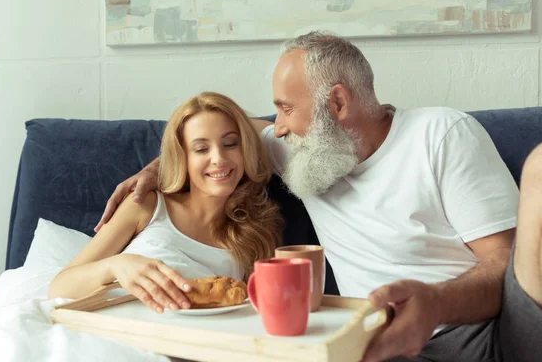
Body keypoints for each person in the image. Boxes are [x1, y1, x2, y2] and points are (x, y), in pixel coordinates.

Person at [94, 32, 542, 361]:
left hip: (492, 331)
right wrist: (159, 168)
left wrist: (435, 304)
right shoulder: (305, 153)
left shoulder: (440, 134)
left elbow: (504, 263)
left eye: (287, 109)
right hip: (383, 345)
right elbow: (232, 131)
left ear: (338, 104)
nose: (280, 126)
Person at [49, 92, 282, 314]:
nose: (219, 159)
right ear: (183, 158)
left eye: (230, 144)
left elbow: (254, 311)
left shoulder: (255, 233)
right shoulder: (146, 206)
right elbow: (59, 287)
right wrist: (116, 266)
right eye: (201, 149)